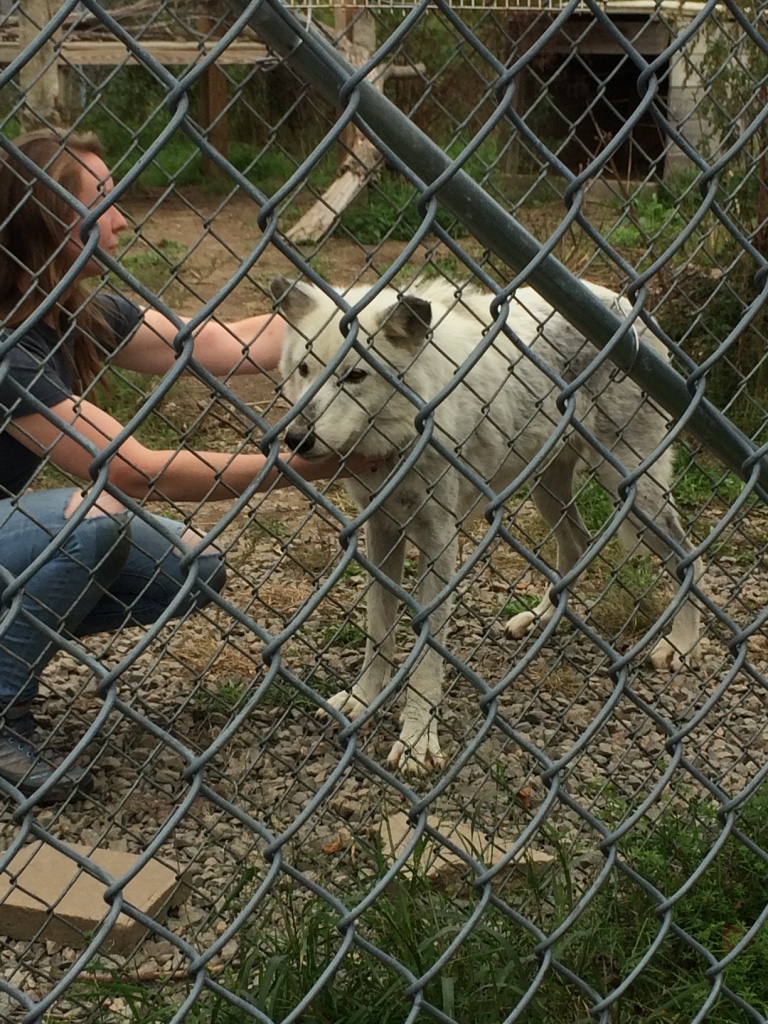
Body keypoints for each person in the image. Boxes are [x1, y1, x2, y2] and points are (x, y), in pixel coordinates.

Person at [0, 129, 376, 805]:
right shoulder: (8, 348)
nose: (120, 216)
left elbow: (213, 343)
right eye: (102, 199)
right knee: (95, 520)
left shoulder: (71, 309)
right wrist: (300, 467)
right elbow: (133, 471)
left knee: (191, 566)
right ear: (50, 217)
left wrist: (361, 315)